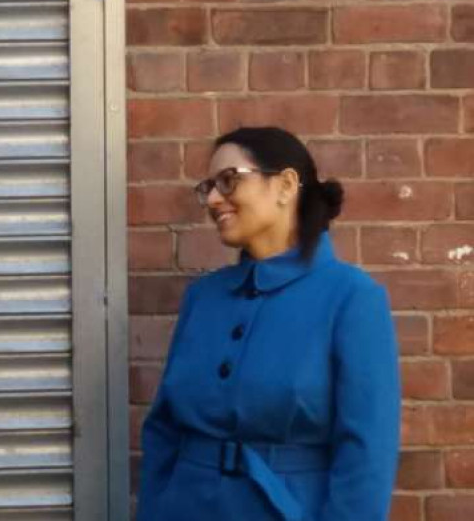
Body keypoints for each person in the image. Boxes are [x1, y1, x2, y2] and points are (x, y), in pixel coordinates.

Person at [137, 127, 400, 521]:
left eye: (229, 181)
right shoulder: (203, 297)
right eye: (208, 186)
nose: (212, 198)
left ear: (286, 184)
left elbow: (366, 453)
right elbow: (164, 428)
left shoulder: (351, 298)